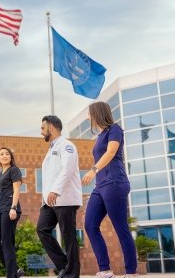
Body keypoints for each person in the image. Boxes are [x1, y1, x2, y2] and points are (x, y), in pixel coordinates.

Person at [82, 102, 138, 278]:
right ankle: (105, 269)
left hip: (114, 183)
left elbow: (111, 152)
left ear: (97, 113)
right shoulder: (100, 135)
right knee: (90, 225)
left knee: (120, 227)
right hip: (100, 187)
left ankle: (131, 272)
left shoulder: (115, 129)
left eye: (89, 113)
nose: (87, 116)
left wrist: (93, 170)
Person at [37, 115, 82, 278]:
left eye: (43, 128)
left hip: (65, 198)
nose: (41, 132)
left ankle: (72, 274)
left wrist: (55, 190)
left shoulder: (67, 146)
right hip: (50, 202)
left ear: (51, 128)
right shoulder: (52, 148)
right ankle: (64, 266)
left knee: (68, 236)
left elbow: (67, 169)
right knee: (42, 229)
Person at [0, 147, 25, 278]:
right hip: (0, 212)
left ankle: (11, 275)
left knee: (7, 243)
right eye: (1, 154)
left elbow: (16, 190)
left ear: (11, 157)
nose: (4, 156)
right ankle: (15, 270)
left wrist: (13, 207)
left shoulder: (14, 170)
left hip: (10, 210)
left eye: (7, 154)